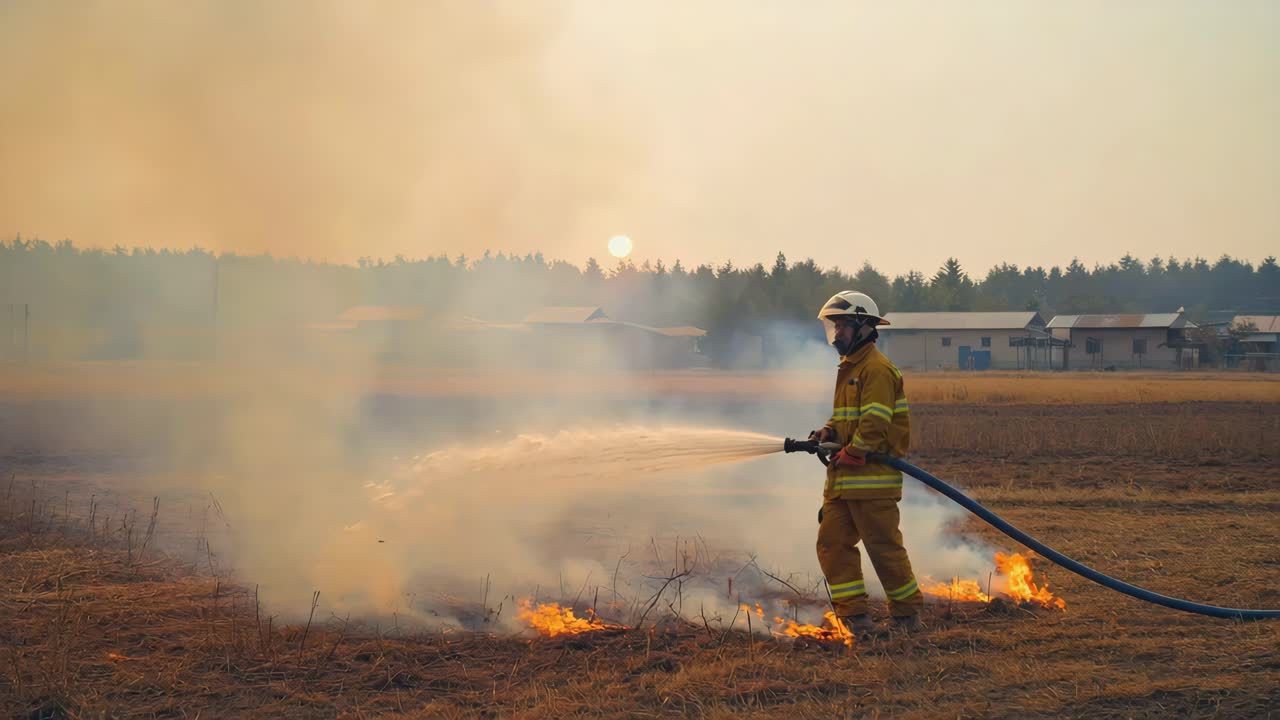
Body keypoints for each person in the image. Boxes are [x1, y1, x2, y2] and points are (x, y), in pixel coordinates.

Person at [809, 291, 923, 635]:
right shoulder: (852, 368)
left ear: (864, 327)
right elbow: (848, 416)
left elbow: (875, 420)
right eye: (836, 325)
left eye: (843, 325)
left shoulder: (877, 369)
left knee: (883, 548)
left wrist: (856, 450)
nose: (837, 332)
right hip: (844, 481)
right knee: (831, 545)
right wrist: (828, 430)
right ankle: (856, 620)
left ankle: (906, 618)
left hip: (872, 479)